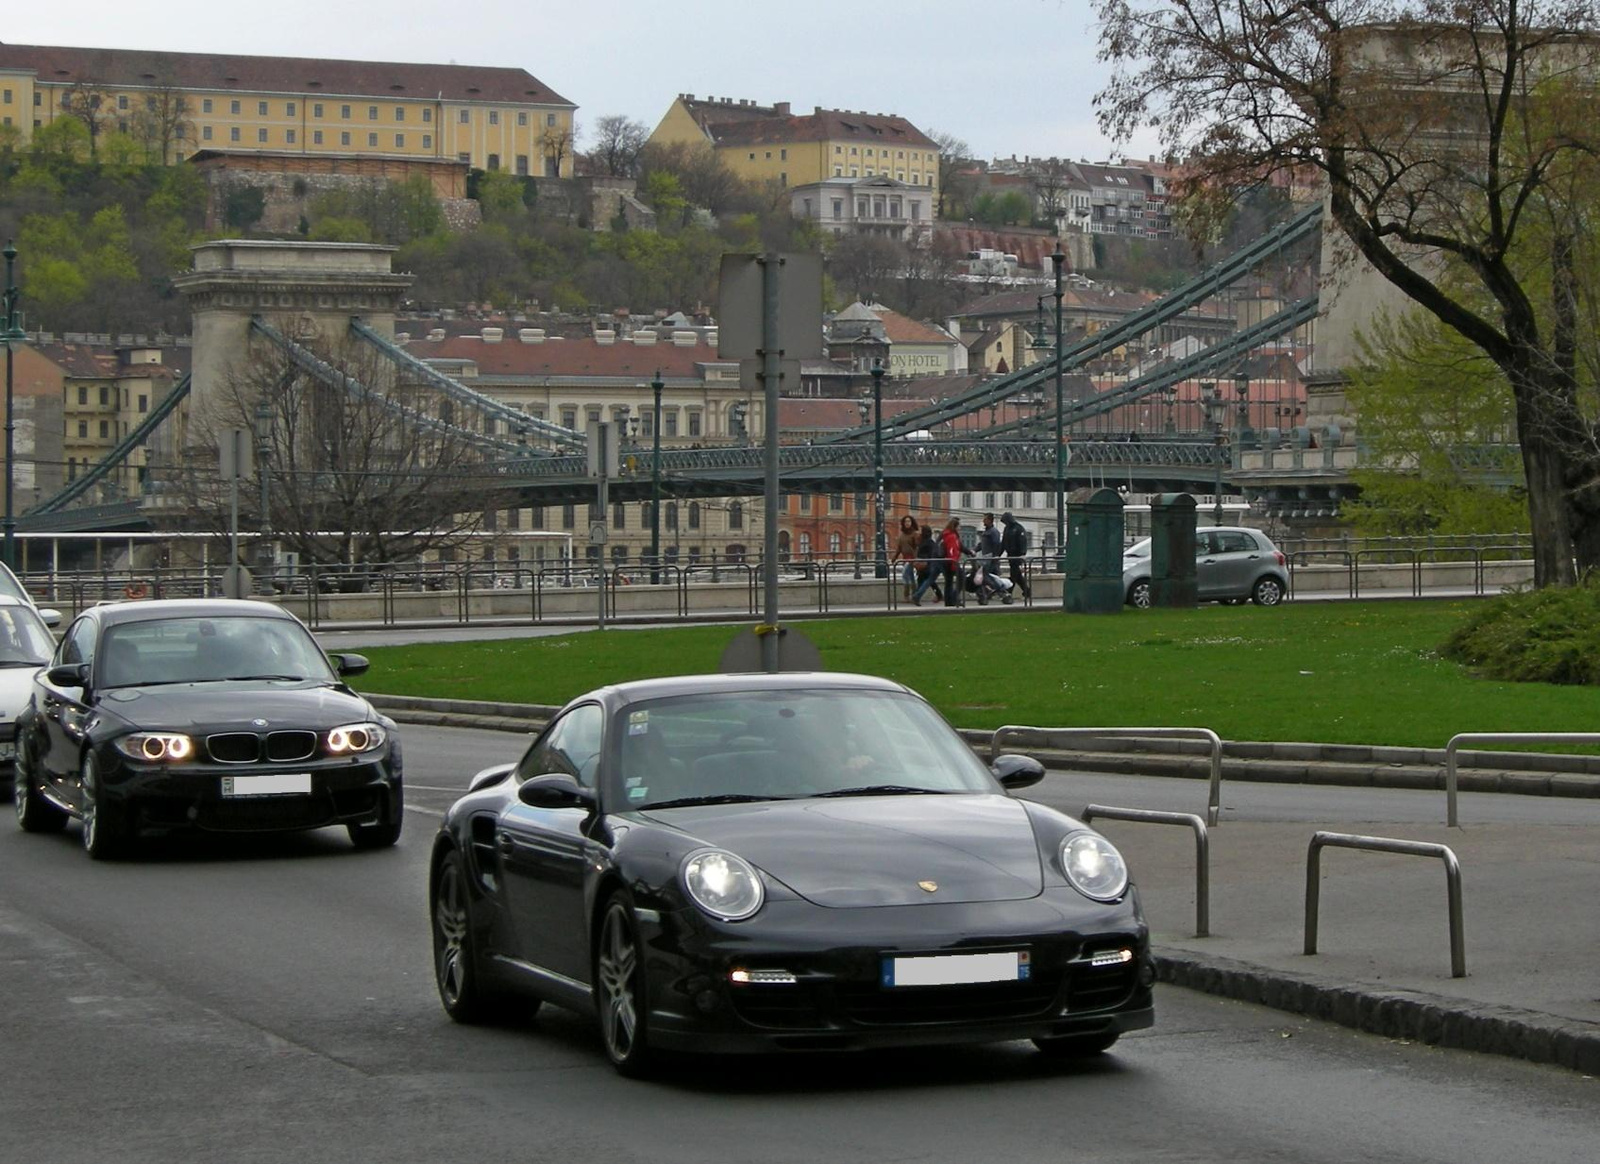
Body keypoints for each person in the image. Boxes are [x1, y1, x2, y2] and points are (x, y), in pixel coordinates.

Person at [911, 523, 944, 606]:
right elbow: (935, 554)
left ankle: (918, 596)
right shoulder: (930, 543)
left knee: (924, 581)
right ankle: (917, 596)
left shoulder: (923, 542)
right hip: (928, 565)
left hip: (923, 565)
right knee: (929, 581)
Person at [1000, 512, 1032, 601]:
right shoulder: (1007, 529)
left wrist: (1023, 553)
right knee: (1017, 576)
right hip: (1010, 555)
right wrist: (998, 554)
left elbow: (1023, 541)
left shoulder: (1018, 528)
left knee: (1014, 575)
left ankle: (1008, 592)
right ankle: (1027, 591)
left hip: (1017, 555)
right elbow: (1003, 542)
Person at [893, 515, 921, 599]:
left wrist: (915, 558)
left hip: (912, 558)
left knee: (905, 575)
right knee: (911, 577)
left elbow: (917, 546)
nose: (907, 523)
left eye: (909, 521)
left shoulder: (914, 534)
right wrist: (894, 557)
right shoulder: (902, 535)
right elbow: (899, 548)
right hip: (905, 558)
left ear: (912, 523)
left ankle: (907, 595)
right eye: (905, 521)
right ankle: (914, 594)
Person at [939, 518, 964, 607]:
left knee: (948, 582)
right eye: (959, 526)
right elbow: (952, 550)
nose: (960, 528)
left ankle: (948, 601)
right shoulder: (952, 536)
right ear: (955, 527)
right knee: (961, 578)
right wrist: (954, 563)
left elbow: (960, 547)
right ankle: (954, 598)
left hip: (946, 561)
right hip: (951, 562)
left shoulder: (945, 534)